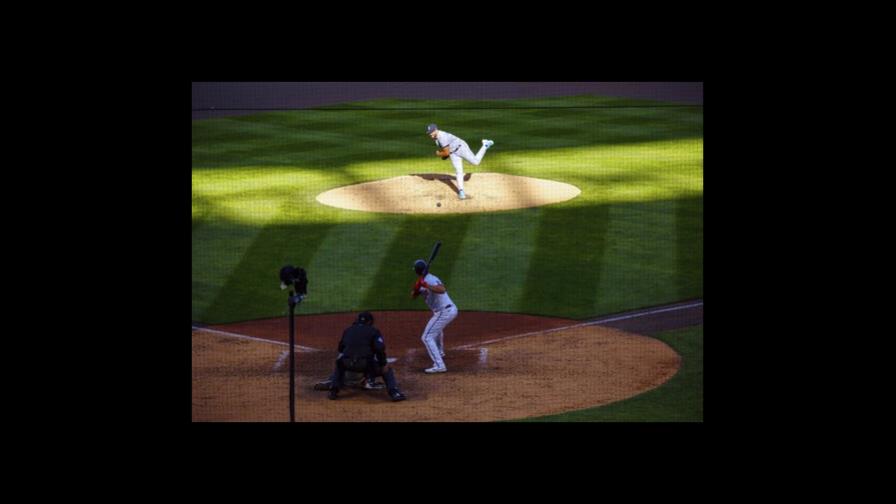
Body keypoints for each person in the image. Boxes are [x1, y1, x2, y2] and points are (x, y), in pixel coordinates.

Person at [328, 312, 407, 401]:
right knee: (387, 369)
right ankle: (394, 393)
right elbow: (379, 348)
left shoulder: (348, 330)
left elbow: (340, 349)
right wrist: (383, 363)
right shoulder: (374, 331)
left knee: (339, 363)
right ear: (370, 322)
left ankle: (333, 390)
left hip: (347, 364)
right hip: (365, 364)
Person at [411, 259, 457, 373]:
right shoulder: (421, 280)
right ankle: (440, 351)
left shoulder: (430, 279)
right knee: (437, 331)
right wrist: (417, 289)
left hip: (445, 311)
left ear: (416, 271)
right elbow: (412, 296)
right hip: (443, 311)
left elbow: (442, 289)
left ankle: (439, 365)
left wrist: (427, 285)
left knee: (426, 337)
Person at [426, 123, 494, 200]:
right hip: (453, 153)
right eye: (429, 133)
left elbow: (446, 152)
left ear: (435, 130)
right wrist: (444, 155)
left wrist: (438, 154)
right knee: (458, 171)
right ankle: (461, 192)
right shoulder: (436, 139)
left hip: (461, 148)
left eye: (431, 132)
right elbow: (447, 152)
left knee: (476, 162)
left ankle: (485, 145)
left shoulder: (442, 137)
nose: (430, 134)